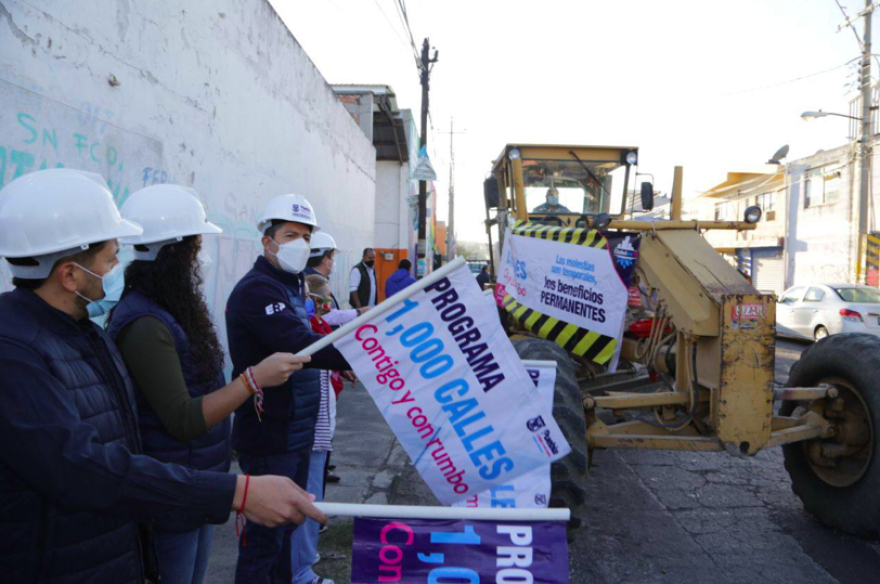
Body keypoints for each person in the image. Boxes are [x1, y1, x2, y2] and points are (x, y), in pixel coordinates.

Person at [0, 169, 325, 584]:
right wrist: (235, 490)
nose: (120, 264)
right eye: (110, 257)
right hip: (68, 553)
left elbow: (121, 439)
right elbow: (83, 465)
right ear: (69, 275)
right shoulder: (17, 352)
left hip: (120, 534)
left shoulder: (82, 331)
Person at [106, 184, 310, 584]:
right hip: (172, 487)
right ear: (175, 252)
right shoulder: (145, 323)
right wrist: (253, 380)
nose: (204, 257)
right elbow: (182, 419)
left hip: (197, 480)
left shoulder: (171, 308)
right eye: (197, 247)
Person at [226, 193, 351, 584]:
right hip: (269, 436)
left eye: (305, 236)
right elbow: (300, 342)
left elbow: (309, 336)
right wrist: (366, 354)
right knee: (265, 541)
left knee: (287, 531)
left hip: (295, 430)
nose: (300, 243)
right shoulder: (258, 290)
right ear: (268, 241)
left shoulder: (291, 284)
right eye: (290, 234)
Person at [290, 277, 352, 584]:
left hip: (317, 423)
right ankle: (300, 569)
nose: (322, 305)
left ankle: (305, 556)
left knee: (311, 491)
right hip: (309, 424)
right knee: (306, 496)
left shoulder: (312, 324)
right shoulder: (301, 328)